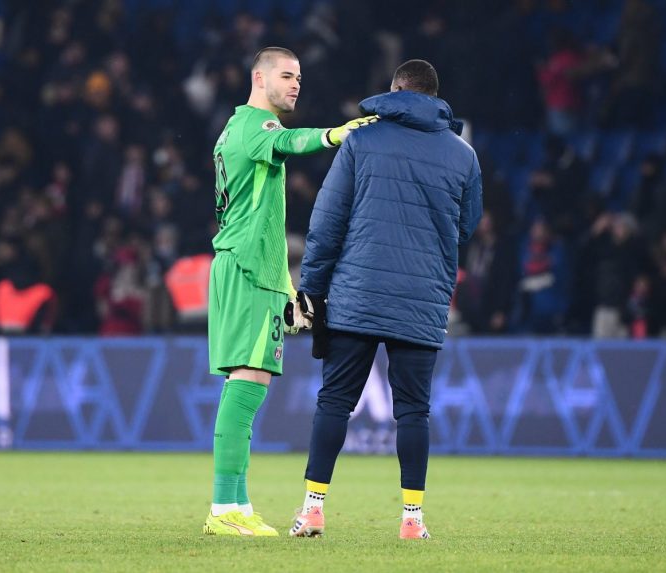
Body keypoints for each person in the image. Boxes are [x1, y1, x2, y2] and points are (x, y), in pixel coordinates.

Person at [289, 59, 482, 539]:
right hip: (422, 299)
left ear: (395, 90)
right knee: (414, 412)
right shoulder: (463, 156)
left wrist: (311, 287)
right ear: (435, 97)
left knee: (334, 402)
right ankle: (412, 520)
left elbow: (327, 221)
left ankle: (313, 509)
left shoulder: (361, 141)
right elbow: (467, 228)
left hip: (356, 294)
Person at [203, 46, 377, 537]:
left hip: (253, 270)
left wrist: (286, 289)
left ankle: (236, 502)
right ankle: (223, 509)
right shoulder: (256, 128)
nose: (296, 84)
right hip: (245, 270)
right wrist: (333, 134)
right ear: (259, 79)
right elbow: (292, 143)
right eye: (286, 75)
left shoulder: (241, 130)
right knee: (247, 381)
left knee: (249, 383)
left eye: (299, 76)